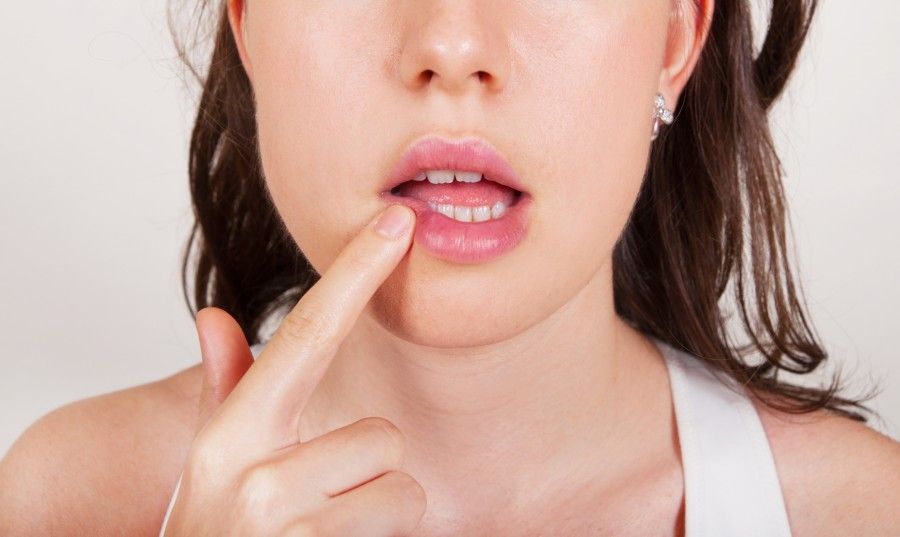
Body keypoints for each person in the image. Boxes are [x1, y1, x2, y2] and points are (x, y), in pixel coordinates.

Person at [1, 0, 898, 535]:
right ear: (248, 26)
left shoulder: (863, 516)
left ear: (675, 36)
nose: (453, 47)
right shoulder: (67, 501)